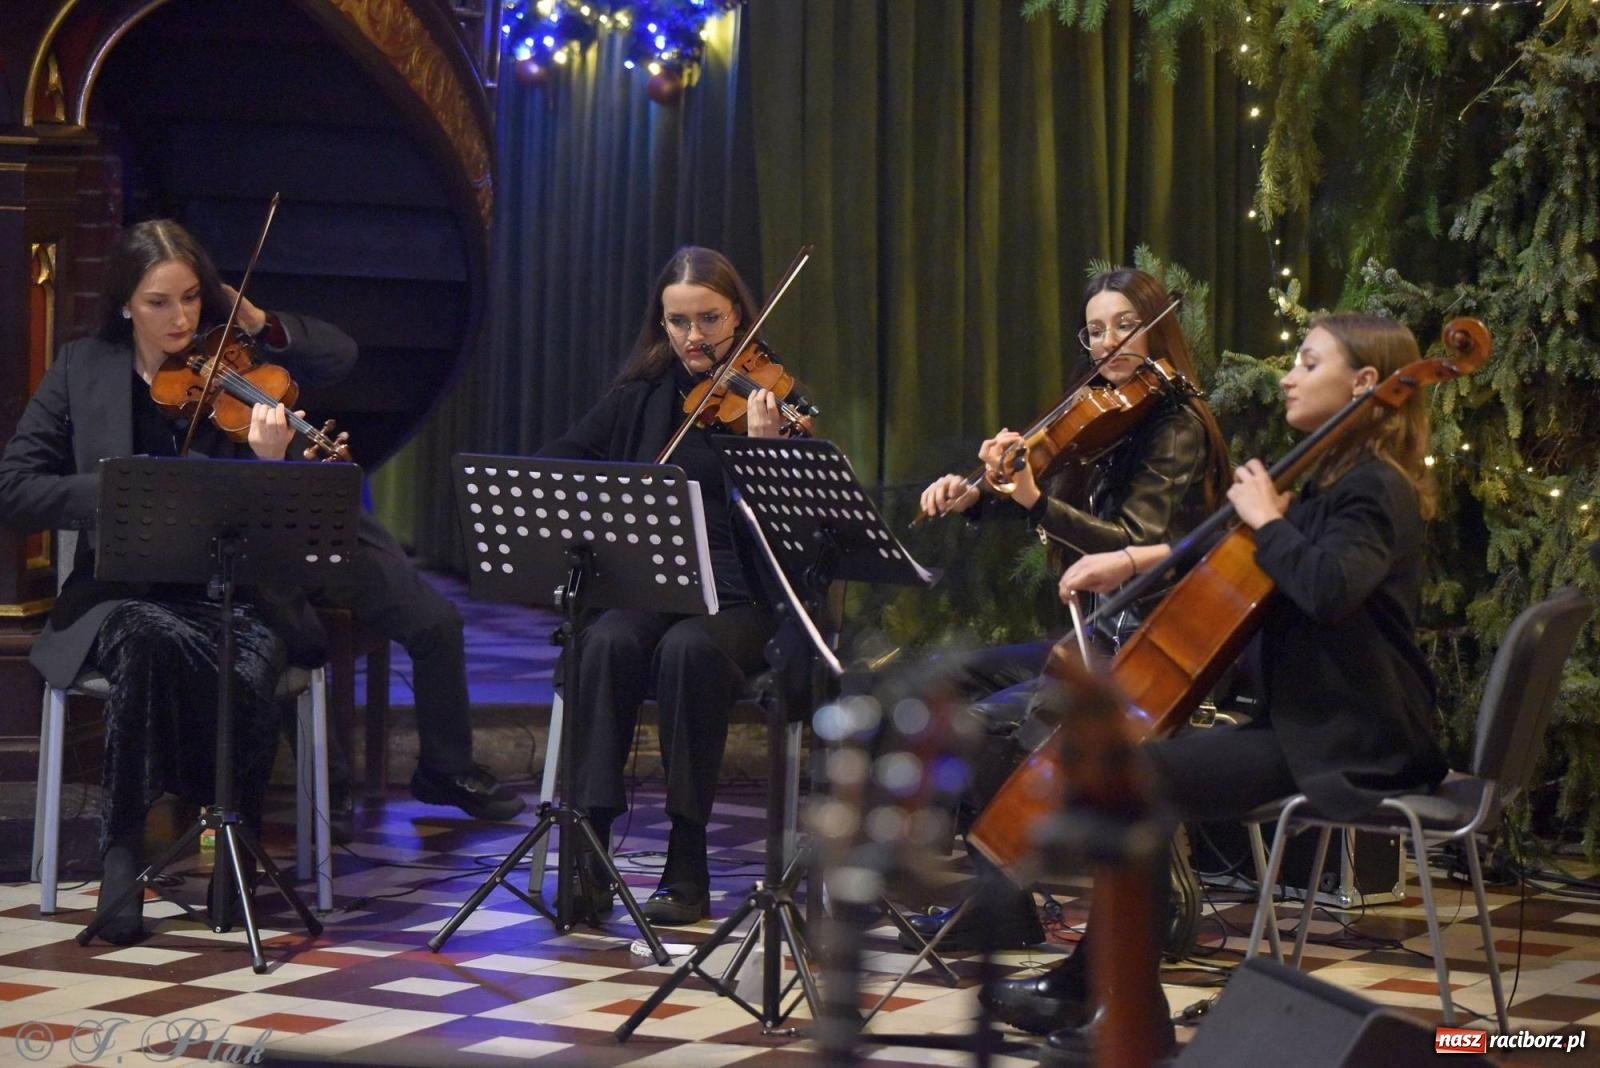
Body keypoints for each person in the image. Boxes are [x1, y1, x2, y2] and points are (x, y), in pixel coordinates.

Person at [1025, 313, 1449, 1064]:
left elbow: (1325, 588)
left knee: (1137, 778)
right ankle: (1094, 982)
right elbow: (1227, 556)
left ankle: (1128, 1009)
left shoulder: (1373, 489)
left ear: (1363, 386)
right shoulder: (1331, 480)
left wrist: (1264, 521)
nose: (1289, 374)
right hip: (1307, 724)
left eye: (1309, 362)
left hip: (1357, 737)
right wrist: (1128, 565)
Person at [0, 219, 351, 944]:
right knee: (145, 636)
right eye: (160, 302)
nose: (182, 320)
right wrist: (114, 492)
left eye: (192, 299)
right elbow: (15, 488)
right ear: (127, 303)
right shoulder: (80, 368)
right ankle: (124, 851)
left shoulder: (240, 379)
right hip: (121, 594)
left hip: (233, 596)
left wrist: (272, 464)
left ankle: (232, 849)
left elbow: (289, 534)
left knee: (246, 654)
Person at [908, 268, 1230, 950]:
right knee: (950, 679)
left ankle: (1042, 906)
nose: (1108, 342)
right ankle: (1006, 902)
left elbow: (1137, 547)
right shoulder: (1109, 415)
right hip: (1103, 630)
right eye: (1095, 330)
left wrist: (1030, 500)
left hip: (1153, 641)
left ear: (1156, 330)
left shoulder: (1174, 427)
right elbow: (1054, 498)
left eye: (1124, 326)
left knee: (992, 727)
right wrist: (980, 495)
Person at [538, 246, 794, 925]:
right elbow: (558, 464)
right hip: (653, 586)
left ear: (739, 316)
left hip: (740, 599)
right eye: (678, 321)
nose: (694, 337)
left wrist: (768, 456)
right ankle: (589, 848)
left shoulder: (765, 400)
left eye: (709, 319)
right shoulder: (643, 396)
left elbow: (796, 535)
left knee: (690, 652)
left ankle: (688, 859)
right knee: (608, 641)